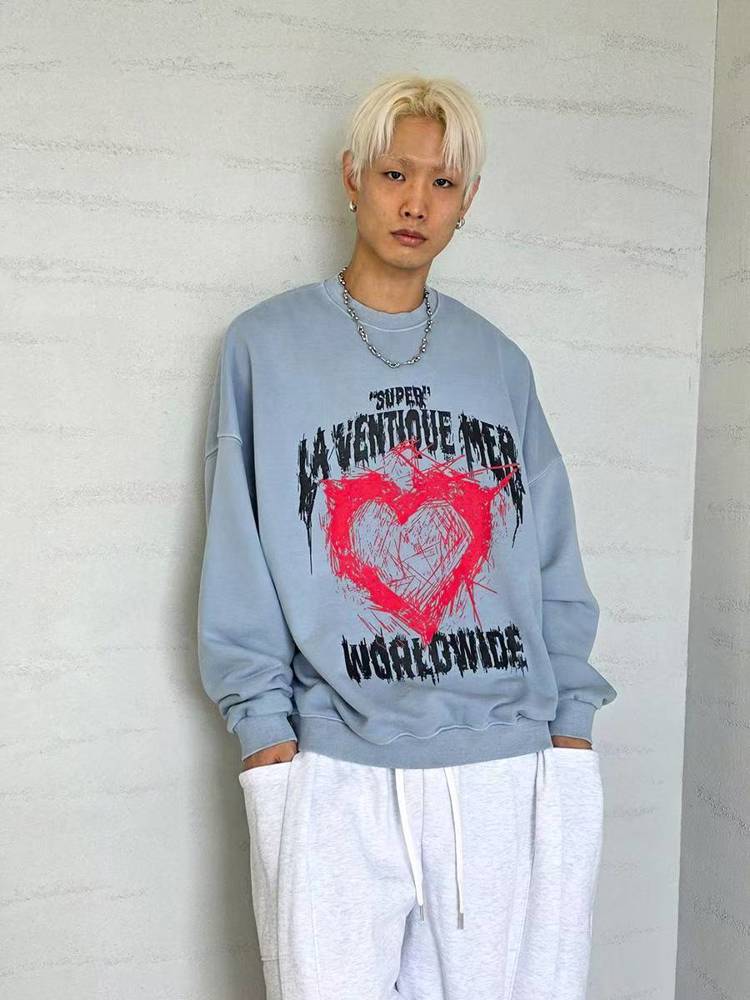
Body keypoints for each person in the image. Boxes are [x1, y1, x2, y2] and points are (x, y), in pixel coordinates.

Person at [197, 72, 618, 1000]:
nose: (416, 202)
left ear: (469, 201)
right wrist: (264, 732)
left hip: (507, 762)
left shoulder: (499, 362)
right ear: (352, 177)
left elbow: (550, 547)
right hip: (337, 766)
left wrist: (571, 725)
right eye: (395, 173)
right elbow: (239, 542)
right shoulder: (265, 347)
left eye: (442, 181)